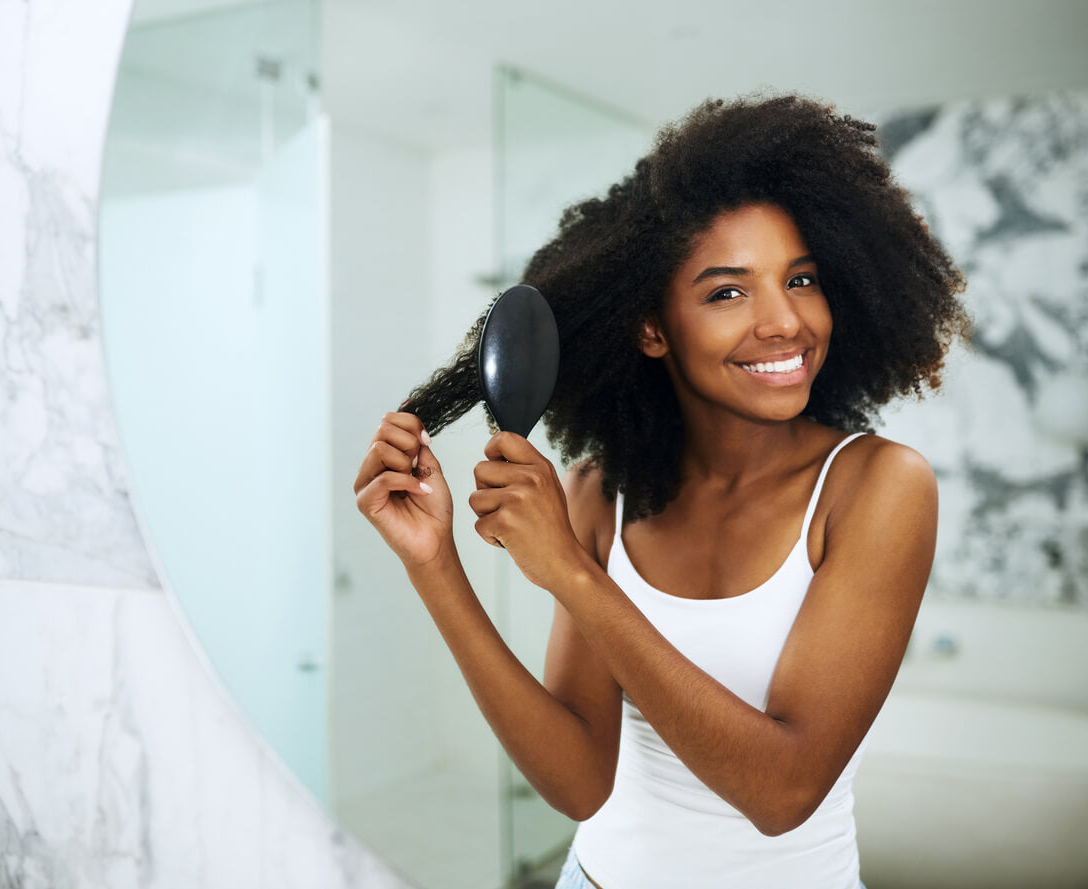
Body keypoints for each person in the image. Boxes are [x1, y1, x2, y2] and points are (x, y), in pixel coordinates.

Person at [354, 94, 968, 889]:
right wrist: (434, 564)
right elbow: (579, 780)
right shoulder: (598, 494)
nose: (783, 320)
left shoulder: (877, 486)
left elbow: (782, 790)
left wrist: (570, 574)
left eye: (801, 277)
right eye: (726, 291)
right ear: (651, 328)